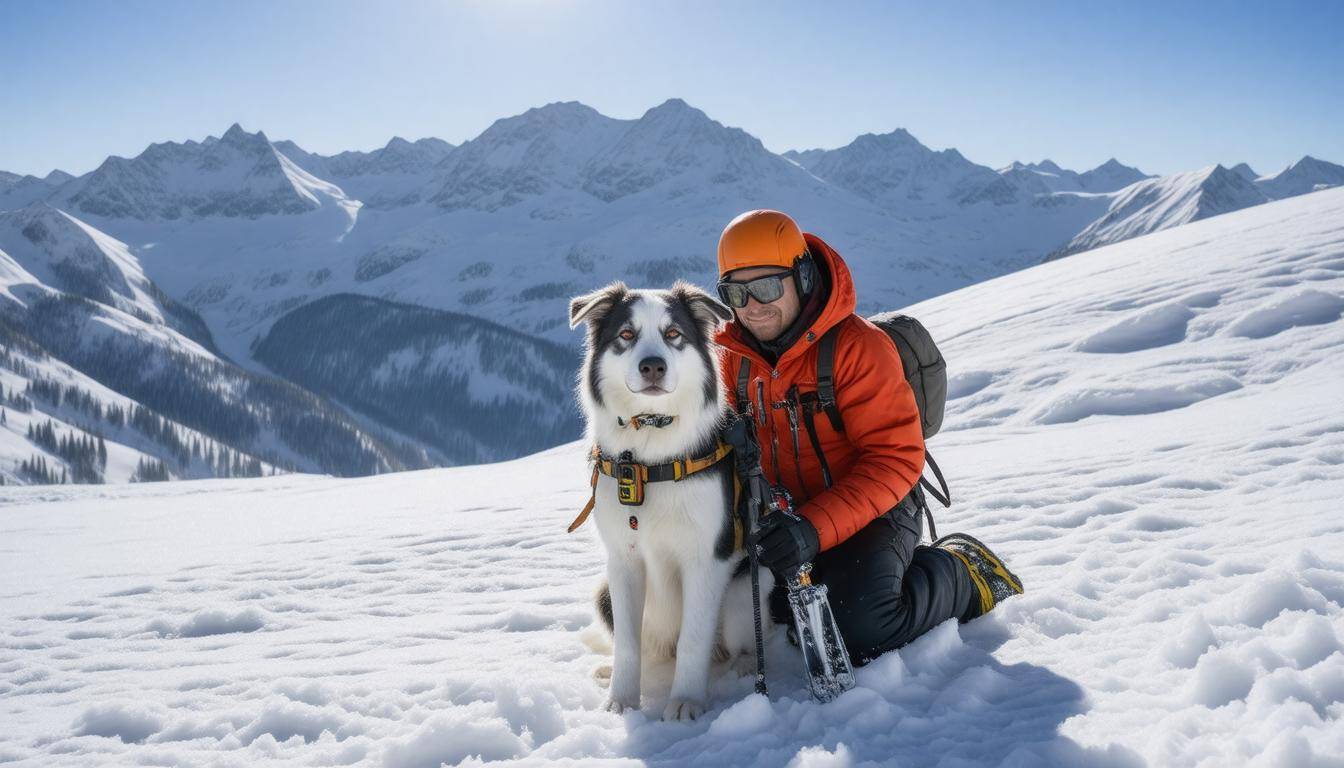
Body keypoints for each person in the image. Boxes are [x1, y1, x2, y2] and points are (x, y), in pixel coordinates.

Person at [713, 209, 1023, 664]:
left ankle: (962, 571)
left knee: (860, 628)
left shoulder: (859, 349)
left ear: (800, 276)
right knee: (763, 610)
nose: (753, 306)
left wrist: (812, 530)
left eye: (765, 287)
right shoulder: (732, 360)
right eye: (736, 292)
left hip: (877, 507)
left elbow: (895, 461)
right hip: (788, 519)